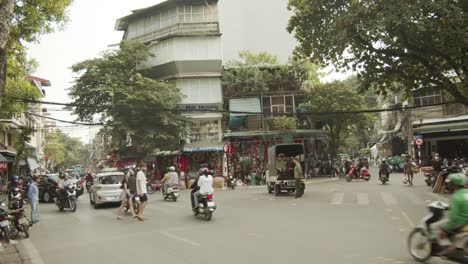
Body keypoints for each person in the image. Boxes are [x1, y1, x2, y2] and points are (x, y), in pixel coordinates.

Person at [437, 174, 468, 255]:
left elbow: (453, 218)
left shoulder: (456, 197)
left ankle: (450, 249)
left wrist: (445, 230)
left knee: (440, 229)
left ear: (453, 185)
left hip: (463, 222)